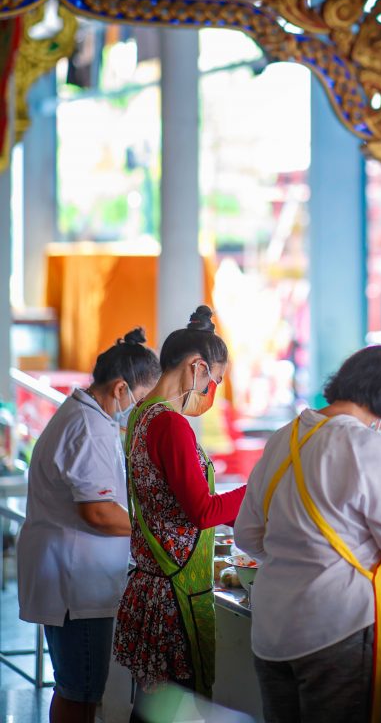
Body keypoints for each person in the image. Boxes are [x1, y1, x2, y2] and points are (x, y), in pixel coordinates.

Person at [234, 345, 381, 723]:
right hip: (334, 629)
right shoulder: (368, 446)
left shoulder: (282, 438)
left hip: (272, 630)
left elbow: (248, 537)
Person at [17, 328, 161, 723]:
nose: (140, 408)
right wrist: (152, 529)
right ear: (120, 389)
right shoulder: (89, 427)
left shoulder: (85, 414)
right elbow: (97, 511)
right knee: (80, 692)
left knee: (75, 686)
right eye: (141, 398)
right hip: (75, 586)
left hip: (73, 574)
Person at [114, 305, 246, 723]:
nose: (211, 392)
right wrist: (258, 490)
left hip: (150, 585)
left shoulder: (139, 415)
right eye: (214, 380)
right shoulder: (169, 424)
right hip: (171, 596)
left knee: (152, 709)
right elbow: (204, 511)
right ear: (196, 367)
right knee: (167, 712)